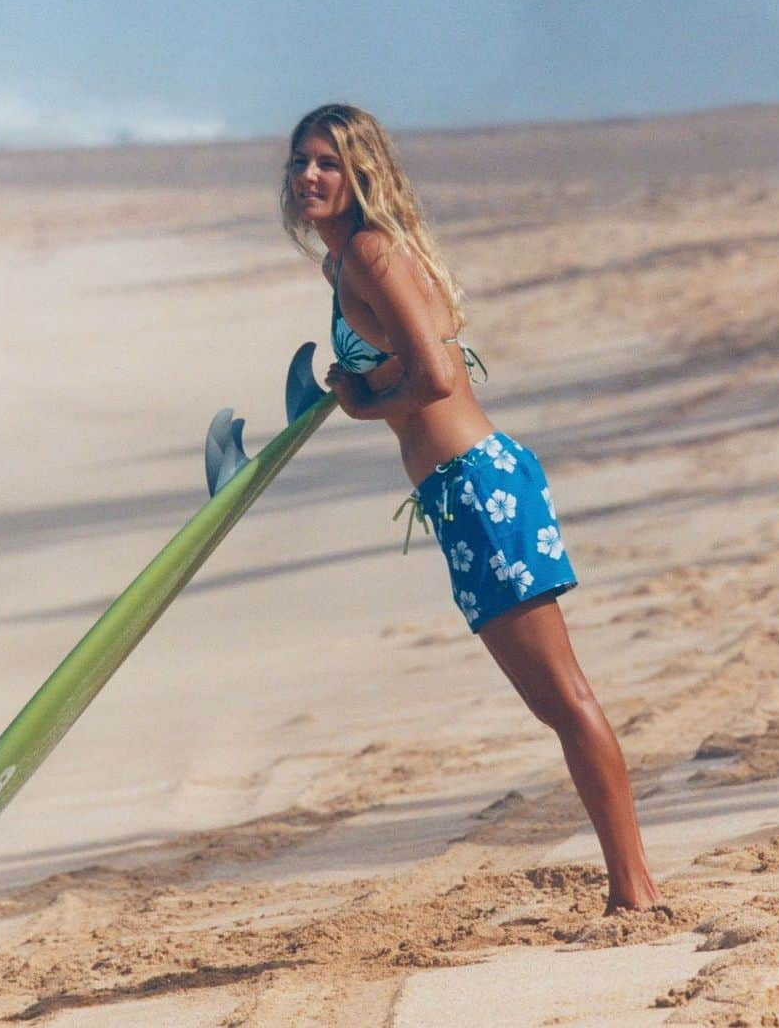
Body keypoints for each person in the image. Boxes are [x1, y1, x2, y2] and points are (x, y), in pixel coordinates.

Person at [281, 103, 661, 913]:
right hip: (462, 494)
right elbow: (412, 367)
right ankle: (632, 884)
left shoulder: (372, 254)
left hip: (477, 489)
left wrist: (362, 403)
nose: (309, 176)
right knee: (555, 700)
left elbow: (439, 380)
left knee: (564, 698)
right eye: (300, 161)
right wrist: (364, 387)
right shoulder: (342, 263)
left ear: (359, 174)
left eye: (327, 162)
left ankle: (636, 889)